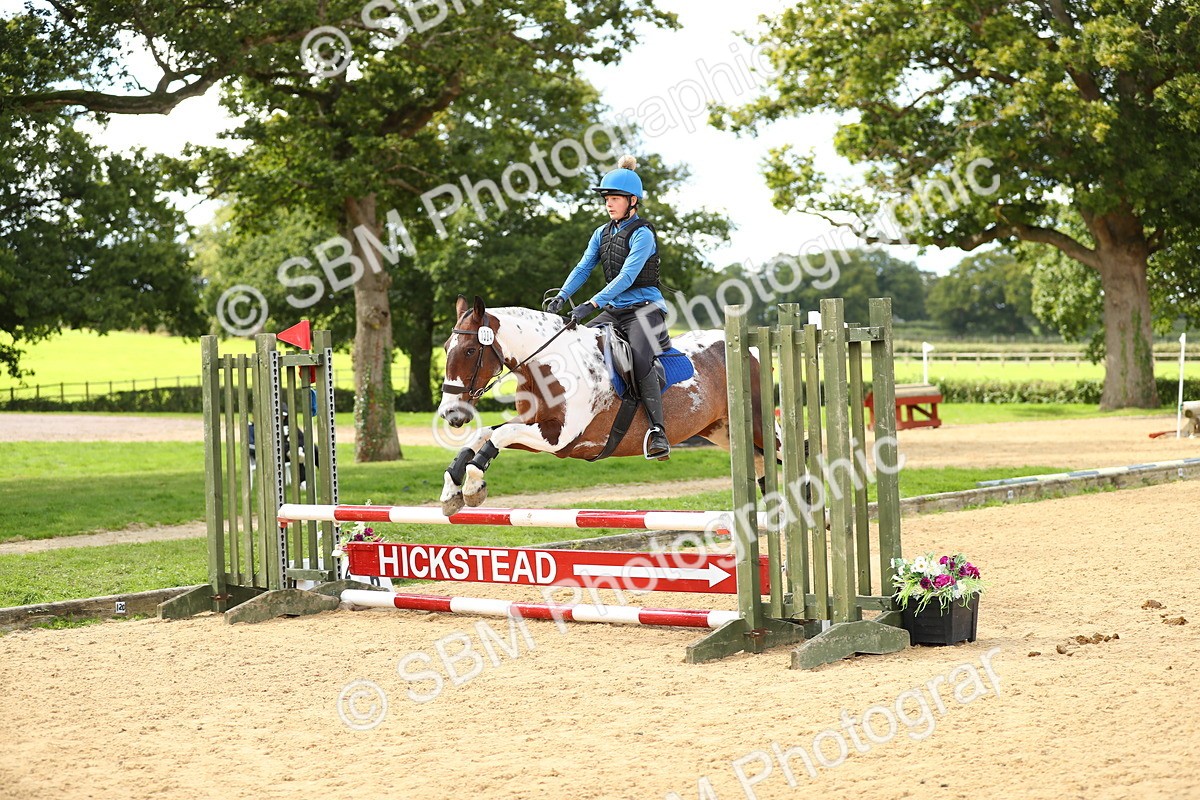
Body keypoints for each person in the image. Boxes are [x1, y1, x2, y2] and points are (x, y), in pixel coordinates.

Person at [545, 155, 672, 460]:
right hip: (615, 311)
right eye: (607, 199)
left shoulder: (643, 234)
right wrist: (562, 296)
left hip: (645, 309)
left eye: (615, 198)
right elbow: (583, 267)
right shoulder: (601, 234)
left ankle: (658, 432)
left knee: (641, 361)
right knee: (580, 350)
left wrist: (591, 304)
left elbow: (628, 276)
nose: (609, 204)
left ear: (632, 201)